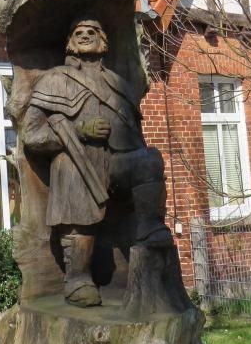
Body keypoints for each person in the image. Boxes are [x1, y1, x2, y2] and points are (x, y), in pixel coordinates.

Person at [22, 18, 173, 307]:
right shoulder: (55, 79)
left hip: (119, 162)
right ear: (69, 43)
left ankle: (149, 232)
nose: (85, 35)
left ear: (104, 41)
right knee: (69, 170)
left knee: (149, 161)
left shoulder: (119, 84)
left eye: (92, 32)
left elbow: (135, 133)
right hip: (79, 162)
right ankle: (77, 279)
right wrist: (78, 131)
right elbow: (32, 134)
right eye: (78, 32)